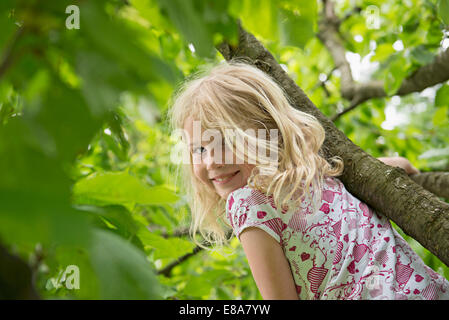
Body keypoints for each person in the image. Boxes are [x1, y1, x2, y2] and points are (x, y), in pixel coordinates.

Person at [168, 60, 449, 300]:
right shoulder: (276, 192)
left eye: (227, 142)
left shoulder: (283, 188)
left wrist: (389, 168)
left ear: (268, 133)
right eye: (199, 149)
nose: (211, 161)